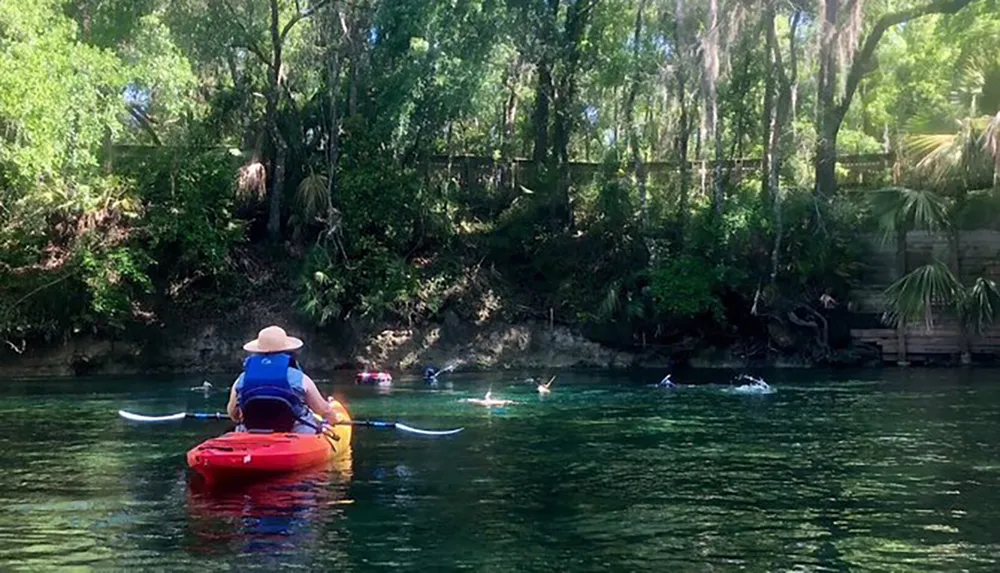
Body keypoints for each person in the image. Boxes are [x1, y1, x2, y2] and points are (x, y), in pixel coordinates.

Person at [227, 325, 339, 434]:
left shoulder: (242, 378)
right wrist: (333, 421)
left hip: (252, 432)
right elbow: (323, 410)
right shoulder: (299, 378)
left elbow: (233, 414)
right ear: (287, 350)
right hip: (296, 434)